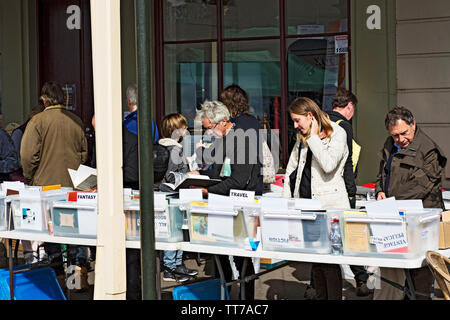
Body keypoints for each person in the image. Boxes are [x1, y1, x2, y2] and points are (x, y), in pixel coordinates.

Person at [191, 100, 262, 300]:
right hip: (221, 203)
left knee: (242, 260)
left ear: (223, 122)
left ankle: (245, 299)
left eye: (209, 128)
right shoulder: (223, 139)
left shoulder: (242, 139)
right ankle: (226, 295)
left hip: (239, 204)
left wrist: (207, 189)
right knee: (220, 256)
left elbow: (239, 180)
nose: (208, 134)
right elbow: (217, 170)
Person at [374, 106, 447, 300]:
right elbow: (382, 174)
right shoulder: (390, 144)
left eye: (404, 133)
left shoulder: (429, 150)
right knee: (394, 268)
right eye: (395, 135)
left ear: (413, 123)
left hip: (422, 219)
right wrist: (379, 191)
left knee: (420, 271)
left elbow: (421, 186)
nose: (400, 139)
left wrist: (390, 201)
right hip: (395, 215)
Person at [20, 81, 89, 283]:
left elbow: (27, 155)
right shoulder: (75, 120)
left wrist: (31, 178)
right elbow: (84, 153)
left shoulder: (37, 121)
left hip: (46, 186)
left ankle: (57, 278)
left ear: (43, 99)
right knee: (72, 230)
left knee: (51, 235)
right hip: (72, 186)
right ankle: (77, 279)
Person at [283, 97, 349, 300]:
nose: (295, 126)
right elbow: (291, 170)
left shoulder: (337, 133)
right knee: (316, 261)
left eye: (297, 120)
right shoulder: (301, 137)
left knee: (329, 262)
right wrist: (288, 203)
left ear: (310, 116)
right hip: (306, 206)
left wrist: (313, 138)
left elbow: (328, 165)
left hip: (330, 207)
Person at [328, 89, 370, 297]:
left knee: (325, 239)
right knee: (348, 235)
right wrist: (351, 192)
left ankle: (313, 286)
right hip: (340, 191)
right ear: (349, 107)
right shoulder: (344, 126)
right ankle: (361, 279)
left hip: (320, 192)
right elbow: (348, 163)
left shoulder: (321, 121)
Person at [158, 113, 199, 283]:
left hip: (162, 193)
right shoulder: (175, 149)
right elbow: (172, 176)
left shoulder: (161, 146)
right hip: (172, 194)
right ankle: (171, 267)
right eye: (183, 127)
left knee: (171, 230)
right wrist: (189, 173)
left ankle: (174, 265)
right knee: (175, 231)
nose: (186, 130)